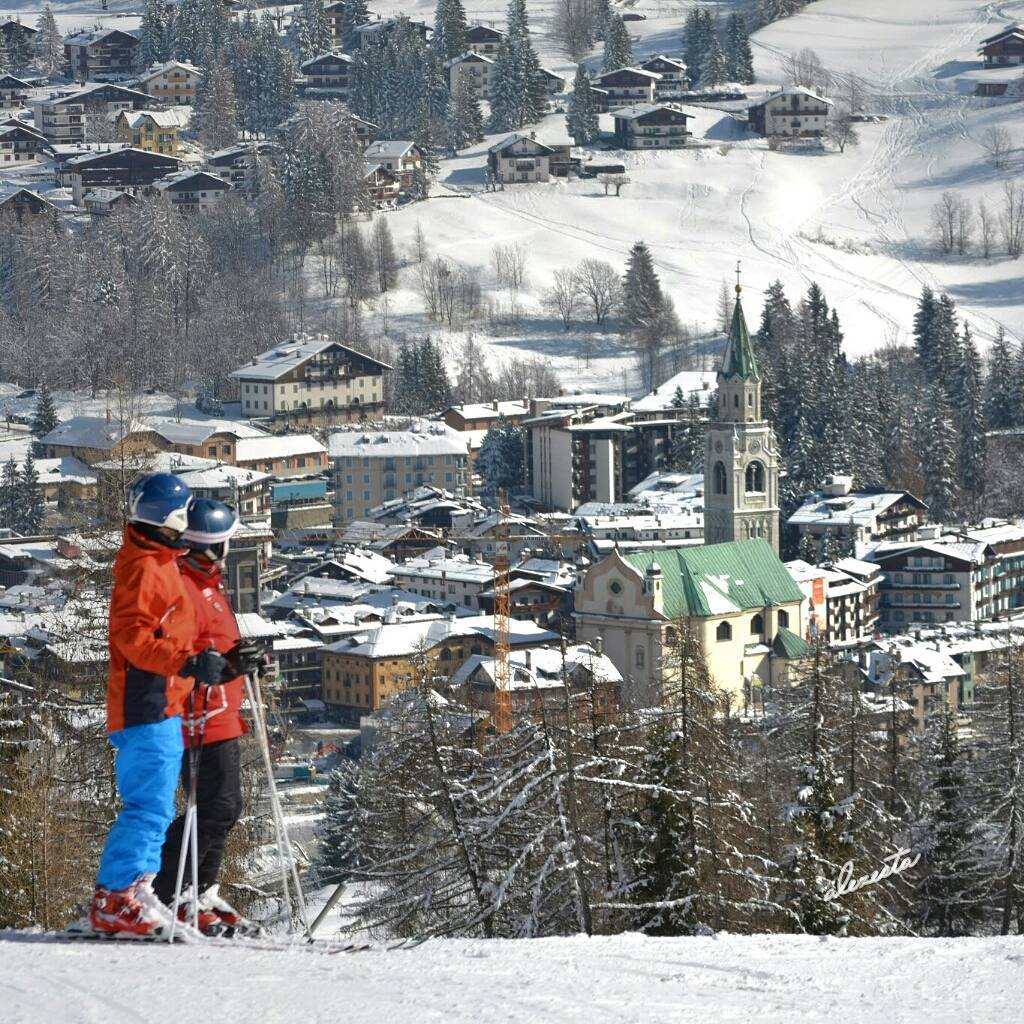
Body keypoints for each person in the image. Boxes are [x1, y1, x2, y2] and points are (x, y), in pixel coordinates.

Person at [90, 474, 229, 938]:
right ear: (170, 517)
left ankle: (137, 888)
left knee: (157, 806)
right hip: (144, 701)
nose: (190, 520)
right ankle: (116, 896)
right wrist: (188, 660)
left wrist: (207, 661)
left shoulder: (161, 560)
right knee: (147, 806)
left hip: (164, 699)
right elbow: (133, 637)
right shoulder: (145, 568)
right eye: (186, 511)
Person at [153, 498, 263, 936]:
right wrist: (205, 664)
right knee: (213, 806)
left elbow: (213, 650)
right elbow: (180, 652)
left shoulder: (208, 585)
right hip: (197, 713)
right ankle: (171, 892)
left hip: (221, 710)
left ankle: (199, 890)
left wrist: (241, 661)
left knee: (226, 806)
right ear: (211, 546)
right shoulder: (183, 588)